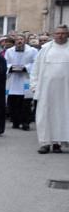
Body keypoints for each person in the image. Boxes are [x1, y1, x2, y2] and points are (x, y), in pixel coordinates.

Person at [30, 24, 69, 154]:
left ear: (67, 34)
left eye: (63, 33)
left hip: (65, 91)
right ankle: (45, 143)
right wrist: (34, 85)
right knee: (44, 115)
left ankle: (58, 142)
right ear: (53, 35)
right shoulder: (45, 49)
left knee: (63, 115)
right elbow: (35, 69)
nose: (60, 35)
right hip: (46, 89)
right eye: (58, 33)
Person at [4, 35, 37, 130]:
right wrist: (11, 67)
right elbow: (5, 62)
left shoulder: (32, 51)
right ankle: (15, 121)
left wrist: (26, 67)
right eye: (17, 39)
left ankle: (25, 122)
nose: (19, 41)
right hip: (13, 79)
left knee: (25, 103)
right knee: (13, 102)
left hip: (25, 78)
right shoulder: (9, 51)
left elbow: (35, 63)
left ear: (25, 40)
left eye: (21, 39)